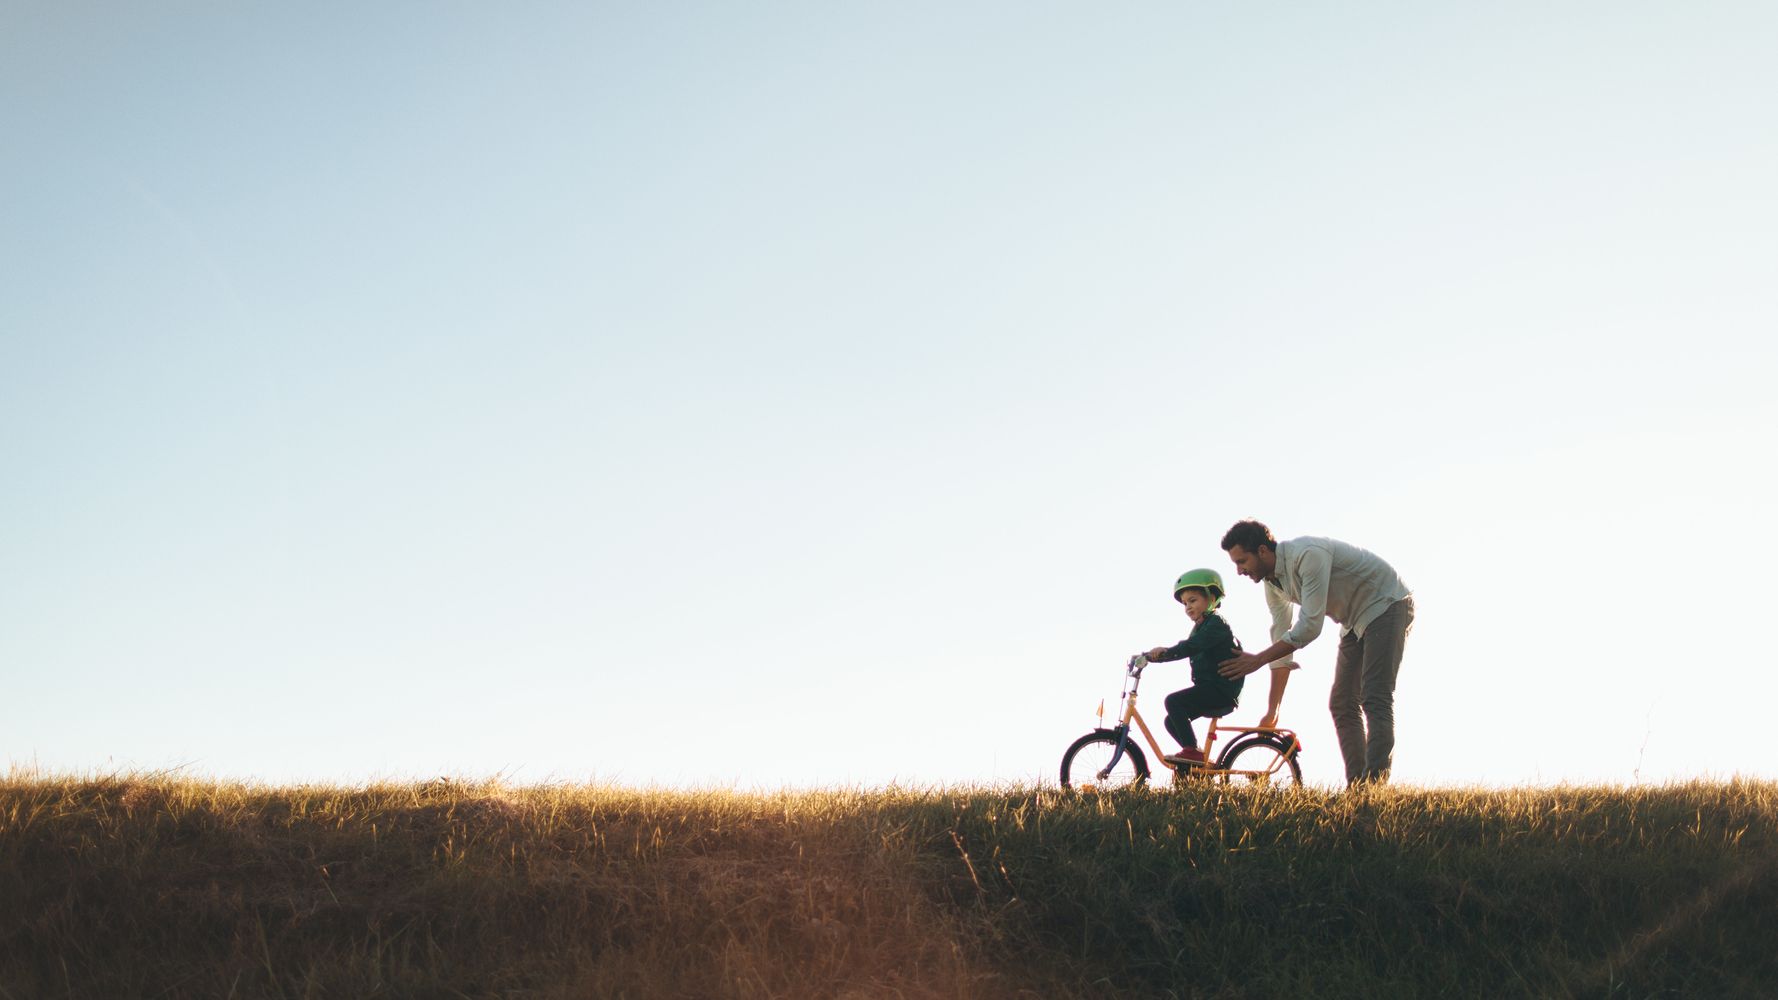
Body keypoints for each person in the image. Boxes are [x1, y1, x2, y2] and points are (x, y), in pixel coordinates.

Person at [1216, 519, 1415, 786]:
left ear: (1262, 551)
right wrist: (1272, 710)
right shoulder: (1273, 585)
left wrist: (1258, 660)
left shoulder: (1308, 555)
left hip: (1387, 603)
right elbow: (1282, 637)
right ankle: (1358, 789)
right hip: (1353, 621)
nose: (1239, 571)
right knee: (1342, 703)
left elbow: (1310, 626)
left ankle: (1375, 787)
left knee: (1374, 696)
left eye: (1242, 561)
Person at [1140, 569, 1245, 767]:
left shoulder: (1216, 624)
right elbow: (1188, 647)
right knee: (1171, 722)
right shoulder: (1200, 627)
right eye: (1185, 603)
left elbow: (1190, 647)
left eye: (1193, 600)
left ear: (1212, 598)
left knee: (1173, 701)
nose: (1188, 607)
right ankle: (1193, 762)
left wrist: (1164, 652)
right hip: (1210, 688)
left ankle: (1192, 754)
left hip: (1221, 690)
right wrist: (1153, 657)